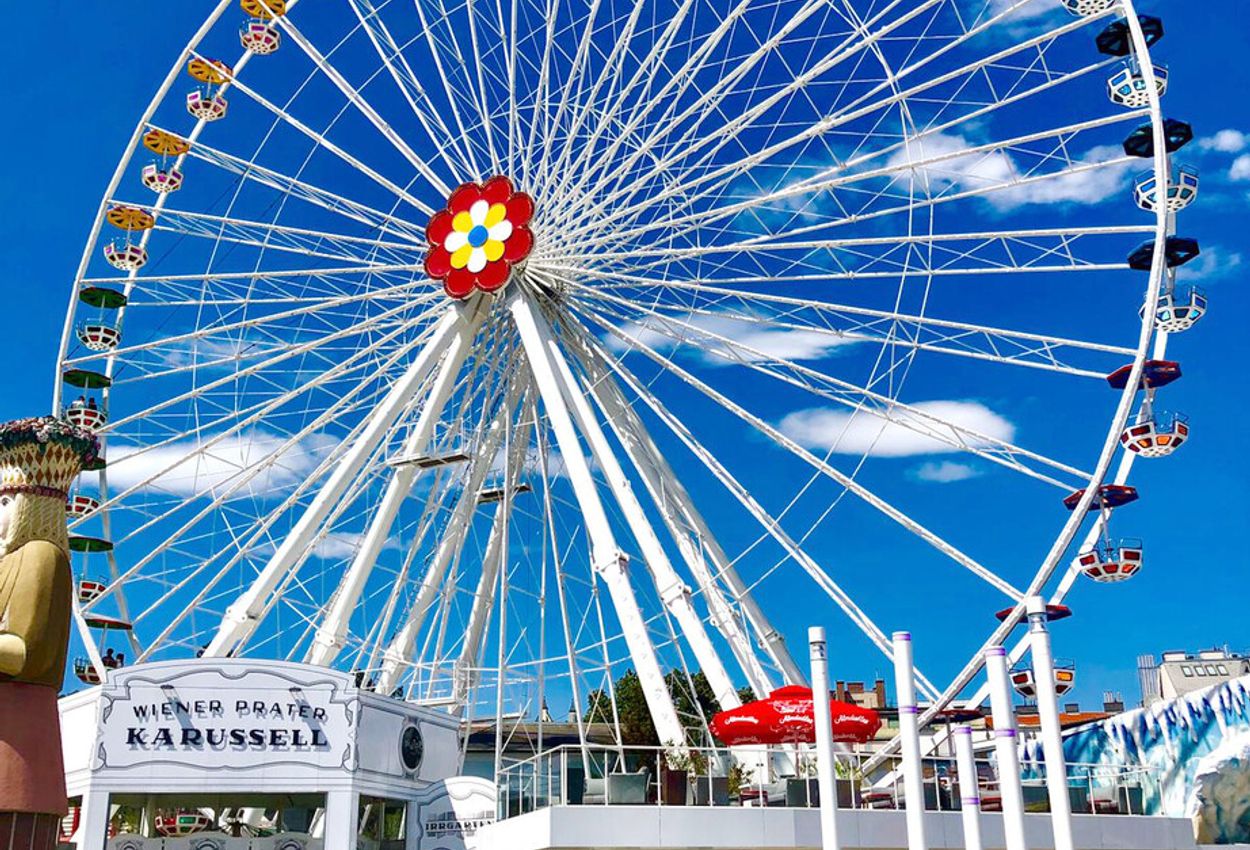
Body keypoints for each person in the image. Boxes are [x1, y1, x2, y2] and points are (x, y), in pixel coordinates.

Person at [0, 416, 98, 849]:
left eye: (6, 502)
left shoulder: (44, 558)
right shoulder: (7, 561)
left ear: (31, 505)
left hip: (21, 728)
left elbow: (28, 653)